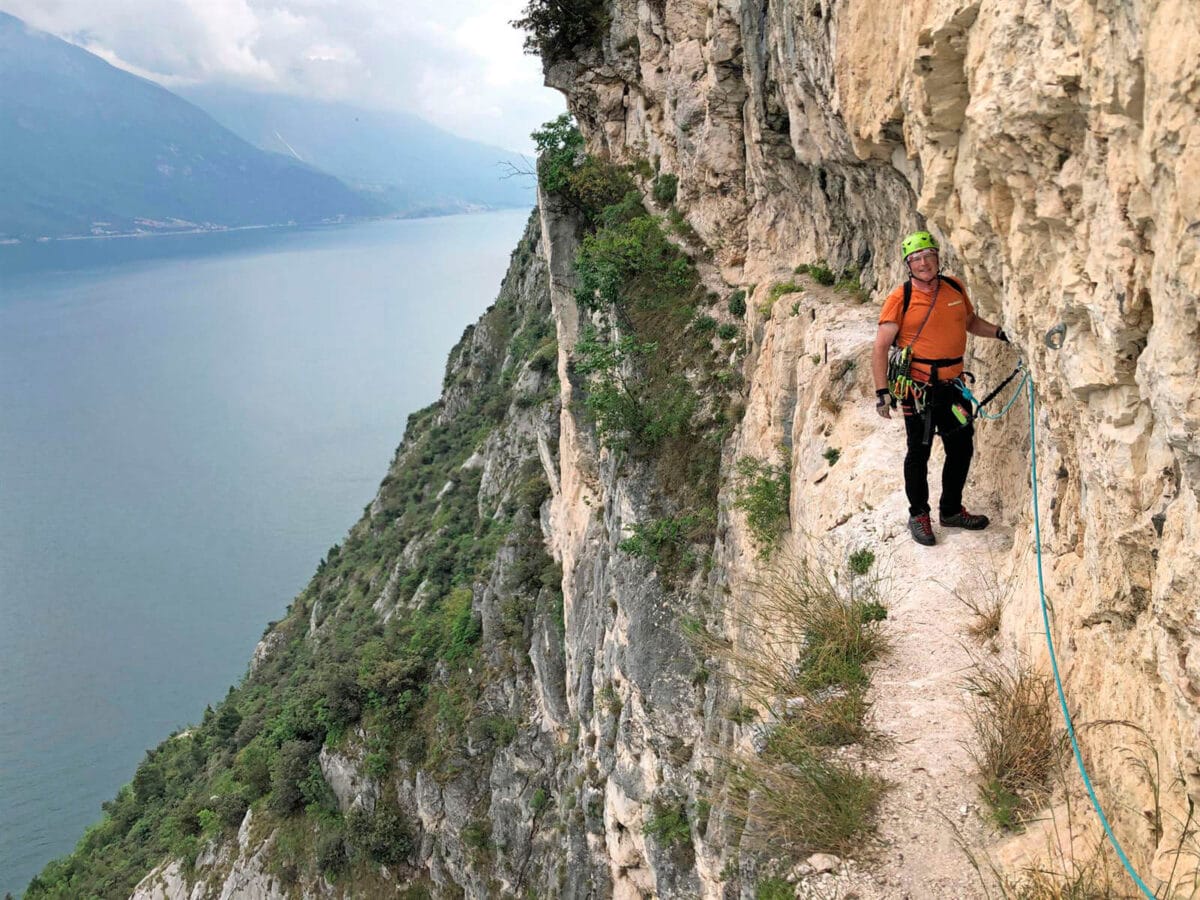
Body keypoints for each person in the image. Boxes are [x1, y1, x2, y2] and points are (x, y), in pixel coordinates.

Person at [871, 231, 1009, 546]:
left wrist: (1000, 333)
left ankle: (950, 510)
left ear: (937, 257)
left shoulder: (955, 287)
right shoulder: (900, 298)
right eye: (915, 259)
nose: (922, 263)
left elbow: (971, 323)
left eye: (927, 255)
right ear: (908, 265)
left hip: (954, 386)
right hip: (918, 390)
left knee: (961, 447)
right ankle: (919, 515)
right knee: (918, 452)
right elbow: (880, 347)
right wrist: (883, 393)